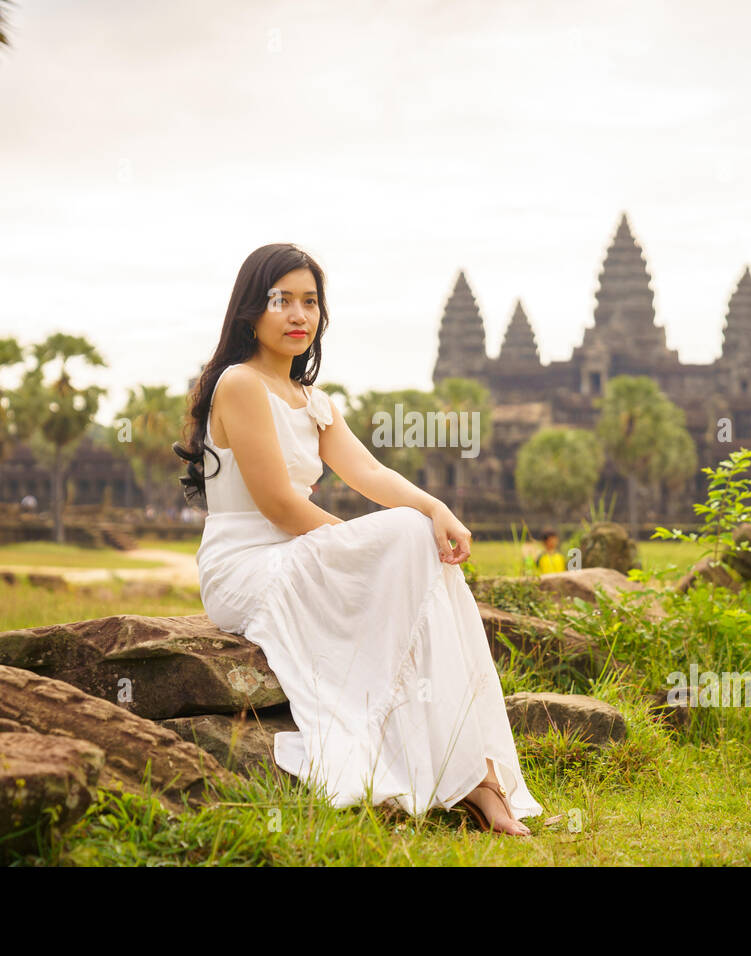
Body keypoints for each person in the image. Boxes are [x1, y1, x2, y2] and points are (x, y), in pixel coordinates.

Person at [177, 243, 541, 836]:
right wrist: (369, 550)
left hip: (297, 554)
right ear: (250, 311)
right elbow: (277, 505)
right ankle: (468, 779)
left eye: (310, 302)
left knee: (416, 535)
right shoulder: (240, 384)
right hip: (245, 566)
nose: (299, 315)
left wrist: (436, 506)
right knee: (401, 541)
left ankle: (474, 773)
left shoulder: (311, 398)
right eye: (282, 301)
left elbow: (369, 475)